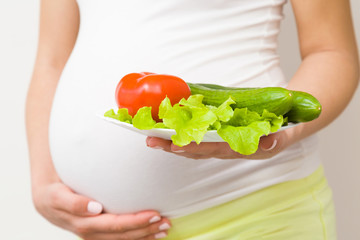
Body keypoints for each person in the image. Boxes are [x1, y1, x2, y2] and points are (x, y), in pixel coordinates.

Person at [26, 0, 359, 239]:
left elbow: (331, 51)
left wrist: (280, 132)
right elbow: (52, 59)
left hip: (256, 215)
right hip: (107, 230)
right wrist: (43, 182)